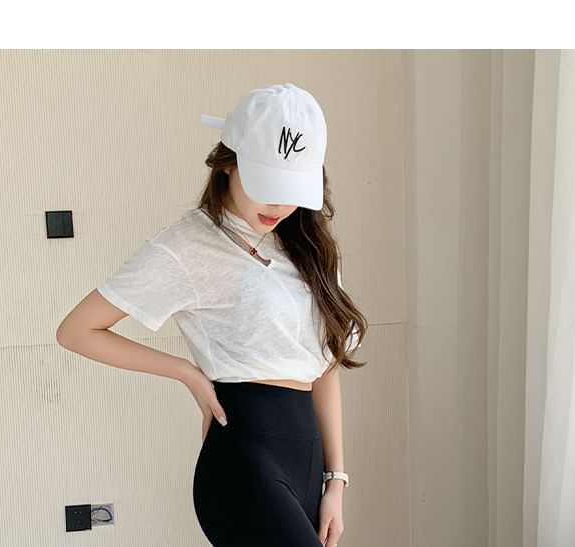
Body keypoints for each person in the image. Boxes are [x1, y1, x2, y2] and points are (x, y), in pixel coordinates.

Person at [56, 83, 367, 546]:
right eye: (266, 186)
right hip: (243, 461)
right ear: (228, 163)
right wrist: (188, 373)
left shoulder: (310, 247)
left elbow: (325, 363)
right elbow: (77, 330)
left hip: (306, 459)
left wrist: (335, 479)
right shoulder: (188, 245)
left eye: (291, 190)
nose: (279, 206)